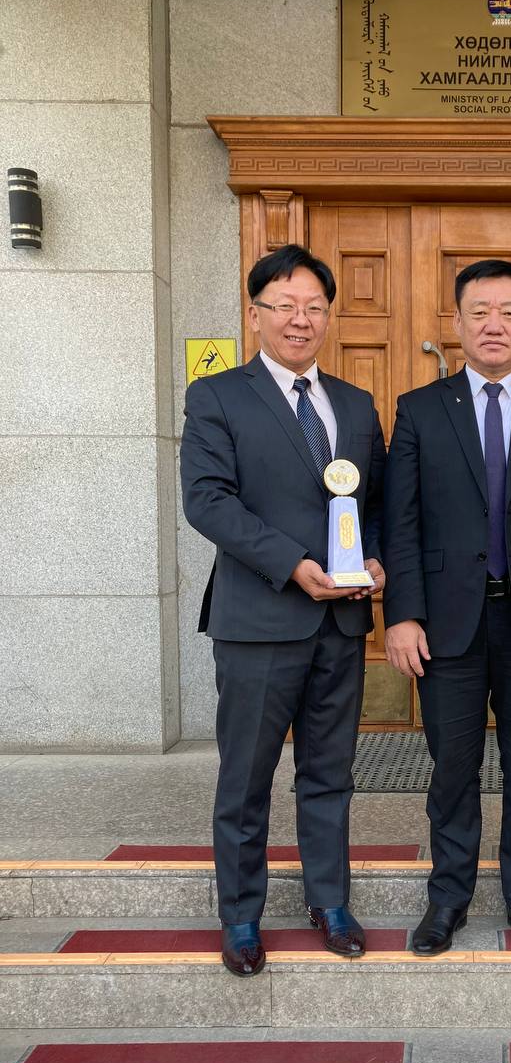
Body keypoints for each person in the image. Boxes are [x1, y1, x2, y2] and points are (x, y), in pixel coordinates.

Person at [180, 244, 386, 976]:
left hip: (341, 621)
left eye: (314, 307)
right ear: (256, 313)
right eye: (285, 305)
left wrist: (375, 560)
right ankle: (240, 914)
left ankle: (329, 900)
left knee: (330, 772)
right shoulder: (217, 396)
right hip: (259, 619)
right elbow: (207, 500)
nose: (301, 320)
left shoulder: (356, 405)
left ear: (328, 316)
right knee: (246, 777)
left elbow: (375, 504)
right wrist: (293, 564)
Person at [382, 259, 511, 957]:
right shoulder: (419, 409)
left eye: (509, 312)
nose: (494, 324)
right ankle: (448, 899)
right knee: (453, 771)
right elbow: (399, 521)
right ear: (457, 323)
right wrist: (402, 614)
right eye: (480, 312)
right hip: (446, 625)